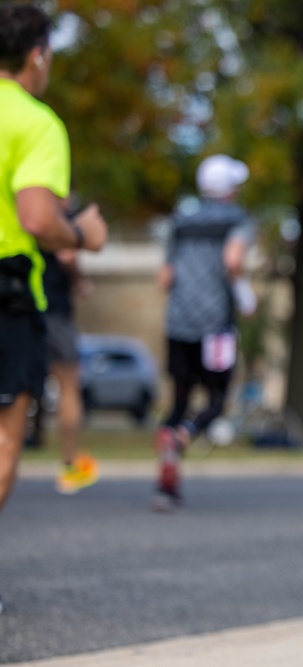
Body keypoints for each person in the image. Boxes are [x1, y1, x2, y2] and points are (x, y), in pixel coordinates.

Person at [0, 2, 108, 613]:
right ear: (37, 54)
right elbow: (38, 218)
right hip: (7, 289)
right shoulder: (35, 121)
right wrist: (83, 235)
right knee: (5, 441)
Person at [153, 154, 256, 512]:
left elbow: (165, 278)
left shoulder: (180, 222)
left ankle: (165, 486)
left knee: (179, 399)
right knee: (215, 400)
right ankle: (184, 435)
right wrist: (245, 297)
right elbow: (233, 261)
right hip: (216, 328)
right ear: (229, 190)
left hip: (178, 325)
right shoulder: (237, 221)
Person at [42, 244, 101, 495]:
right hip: (53, 309)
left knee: (15, 389)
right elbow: (66, 255)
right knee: (68, 386)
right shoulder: (53, 210)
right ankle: (68, 464)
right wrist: (80, 281)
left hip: (15, 307)